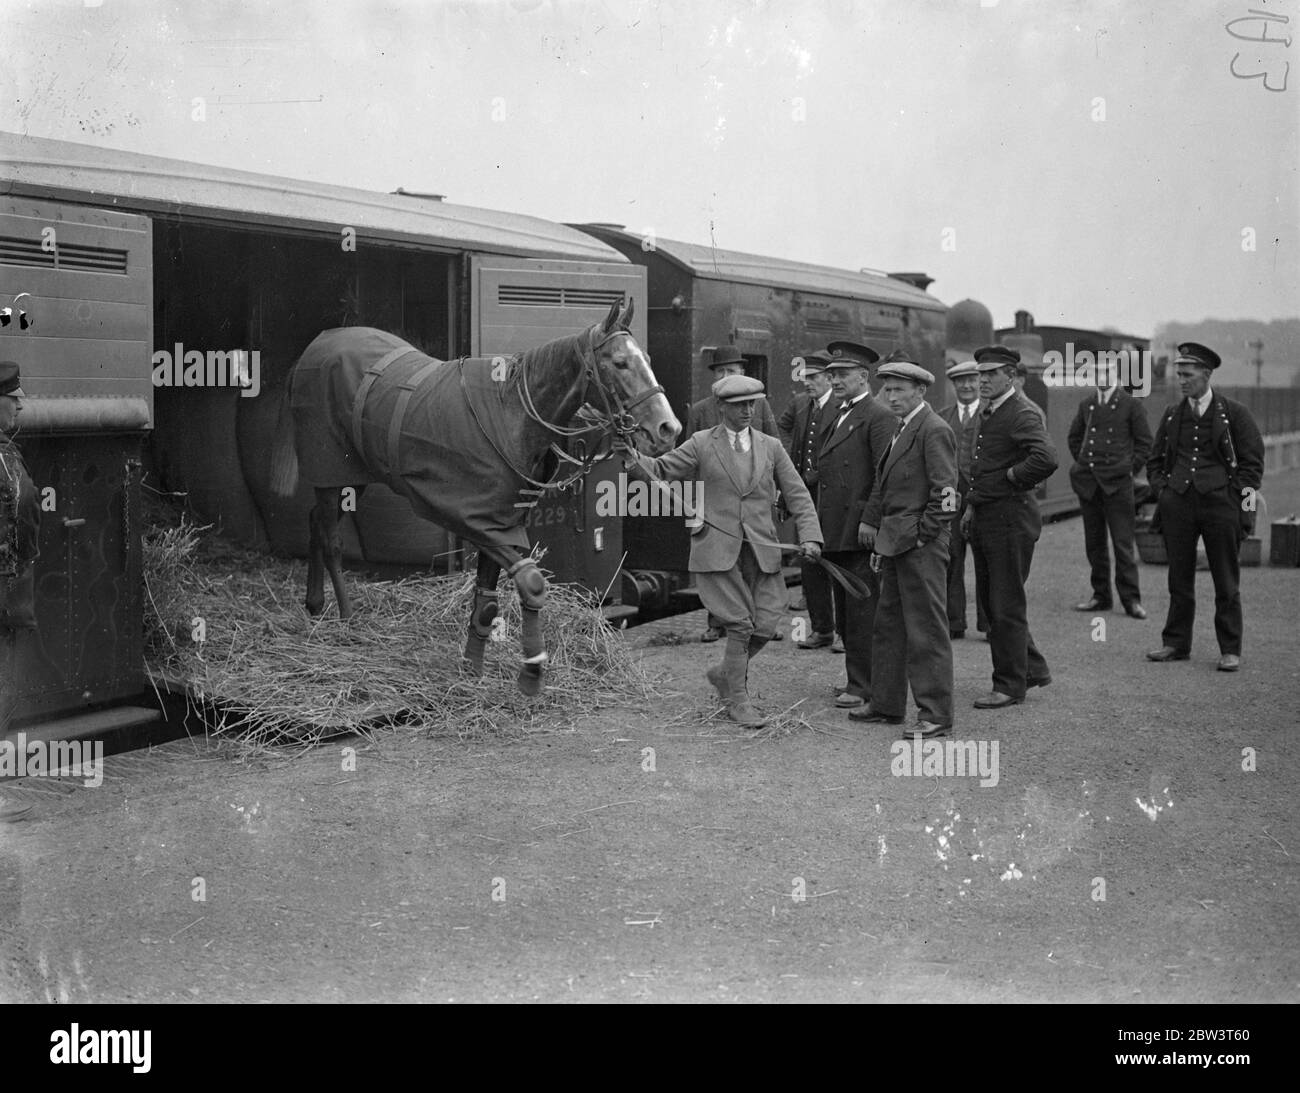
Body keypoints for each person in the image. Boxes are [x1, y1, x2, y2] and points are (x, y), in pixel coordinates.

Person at [619, 375, 823, 727]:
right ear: (721, 407)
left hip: (762, 550)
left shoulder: (771, 447)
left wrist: (811, 537)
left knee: (766, 623)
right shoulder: (701, 444)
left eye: (752, 403)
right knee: (741, 625)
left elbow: (798, 495)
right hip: (717, 550)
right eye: (739, 404)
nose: (747, 410)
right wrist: (629, 455)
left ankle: (725, 673)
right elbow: (661, 470)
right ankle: (739, 701)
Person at [853, 356, 958, 737]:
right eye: (887, 389)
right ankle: (886, 704)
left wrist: (922, 535)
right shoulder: (903, 428)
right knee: (889, 626)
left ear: (920, 391)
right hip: (898, 543)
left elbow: (946, 494)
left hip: (920, 546)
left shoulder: (934, 429)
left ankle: (936, 714)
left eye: (899, 390)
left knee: (926, 630)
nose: (891, 397)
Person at [1146, 342, 1264, 672]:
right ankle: (1175, 643)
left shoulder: (1235, 413)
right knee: (1178, 579)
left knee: (1226, 580)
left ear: (1206, 374)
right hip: (1178, 504)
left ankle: (1230, 649)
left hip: (1220, 505)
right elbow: (1154, 460)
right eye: (1179, 374)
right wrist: (1163, 491)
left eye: (1187, 374)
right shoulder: (1172, 415)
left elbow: (1253, 467)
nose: (1181, 380)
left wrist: (1240, 502)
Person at [961, 345, 1058, 709]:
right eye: (980, 375)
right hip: (990, 517)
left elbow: (1046, 458)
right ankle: (1030, 670)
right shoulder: (993, 410)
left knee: (1005, 605)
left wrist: (1011, 477)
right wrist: (972, 505)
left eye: (992, 375)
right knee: (994, 603)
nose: (983, 381)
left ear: (1012, 377)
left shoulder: (1020, 412)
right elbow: (982, 464)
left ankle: (1009, 686)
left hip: (1011, 520)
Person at [816, 341, 897, 708]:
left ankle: (864, 685)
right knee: (847, 612)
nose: (835, 380)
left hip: (858, 530)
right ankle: (856, 679)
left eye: (842, 374)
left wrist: (870, 519)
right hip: (837, 528)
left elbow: (885, 472)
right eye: (832, 374)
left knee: (862, 612)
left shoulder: (877, 415)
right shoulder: (841, 413)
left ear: (863, 377)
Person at [686, 345, 779, 642]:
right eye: (721, 372)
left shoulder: (759, 407)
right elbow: (688, 462)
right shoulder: (701, 410)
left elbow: (774, 448)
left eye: (732, 371)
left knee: (754, 561)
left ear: (743, 373)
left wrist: (777, 492)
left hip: (752, 500)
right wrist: (693, 506)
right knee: (718, 561)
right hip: (714, 502)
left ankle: (756, 623)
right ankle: (718, 622)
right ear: (714, 378)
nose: (727, 376)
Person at [1067, 353, 1153, 619]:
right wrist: (1085, 463)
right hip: (1090, 485)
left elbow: (1144, 444)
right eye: (1097, 372)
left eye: (1106, 371)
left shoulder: (1131, 405)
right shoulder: (1088, 405)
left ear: (1115, 373)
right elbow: (1074, 437)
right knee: (1094, 544)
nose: (1102, 377)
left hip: (1118, 485)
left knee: (1122, 544)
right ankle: (1100, 596)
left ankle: (1131, 600)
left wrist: (1128, 469)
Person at [778, 350, 836, 648]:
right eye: (805, 378)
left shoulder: (842, 405)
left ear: (830, 377)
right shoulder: (800, 404)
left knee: (838, 560)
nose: (807, 383)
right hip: (806, 496)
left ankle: (847, 634)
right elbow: (782, 428)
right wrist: (789, 460)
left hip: (836, 497)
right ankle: (822, 629)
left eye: (814, 378)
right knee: (810, 562)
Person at [0, 361, 40, 735]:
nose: (19, 406)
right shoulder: (4, 455)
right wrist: (26, 559)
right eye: (13, 399)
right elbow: (24, 503)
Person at [937, 360, 987, 639]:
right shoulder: (943, 416)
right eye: (960, 381)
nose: (967, 386)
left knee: (985, 560)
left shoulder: (990, 414)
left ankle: (988, 624)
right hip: (951, 499)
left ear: (979, 383)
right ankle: (954, 622)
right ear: (953, 384)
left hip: (982, 499)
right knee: (951, 557)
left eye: (972, 380)